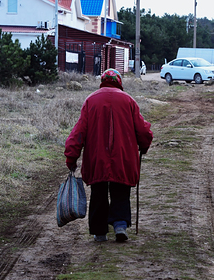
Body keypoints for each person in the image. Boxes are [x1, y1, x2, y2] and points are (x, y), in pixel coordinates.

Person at [64, 69, 153, 242]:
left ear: (103, 81)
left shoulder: (91, 101)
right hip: (123, 156)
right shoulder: (129, 101)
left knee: (98, 192)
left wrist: (71, 156)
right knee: (121, 189)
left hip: (97, 158)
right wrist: (144, 145)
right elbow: (143, 130)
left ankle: (99, 232)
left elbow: (78, 132)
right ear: (119, 82)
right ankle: (120, 224)